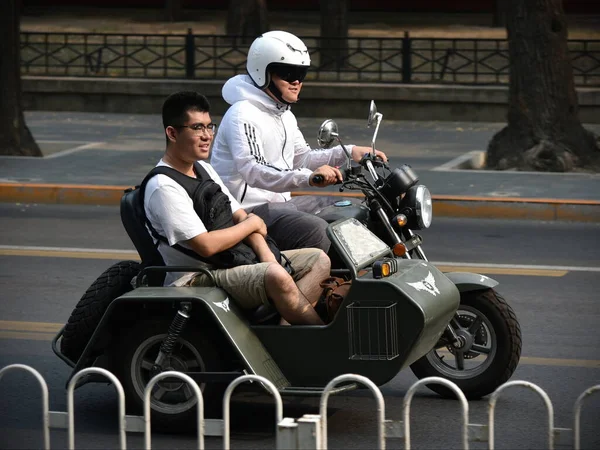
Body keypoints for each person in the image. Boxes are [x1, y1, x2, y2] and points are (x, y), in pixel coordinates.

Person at [142, 90, 328, 326]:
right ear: (172, 133)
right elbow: (206, 245)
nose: (207, 135)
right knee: (275, 276)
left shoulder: (203, 169)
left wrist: (266, 255)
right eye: (197, 128)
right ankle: (321, 341)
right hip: (197, 278)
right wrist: (253, 225)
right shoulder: (163, 186)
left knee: (319, 260)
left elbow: (240, 215)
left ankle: (285, 334)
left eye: (210, 127)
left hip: (232, 261)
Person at [210, 30, 388, 253]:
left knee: (350, 212)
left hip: (279, 206)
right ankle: (316, 285)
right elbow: (253, 170)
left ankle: (350, 282)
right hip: (246, 211)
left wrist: (350, 152)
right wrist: (309, 178)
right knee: (317, 231)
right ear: (262, 72)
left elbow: (302, 158)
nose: (296, 82)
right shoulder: (242, 114)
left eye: (301, 74)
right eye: (288, 73)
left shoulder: (284, 114)